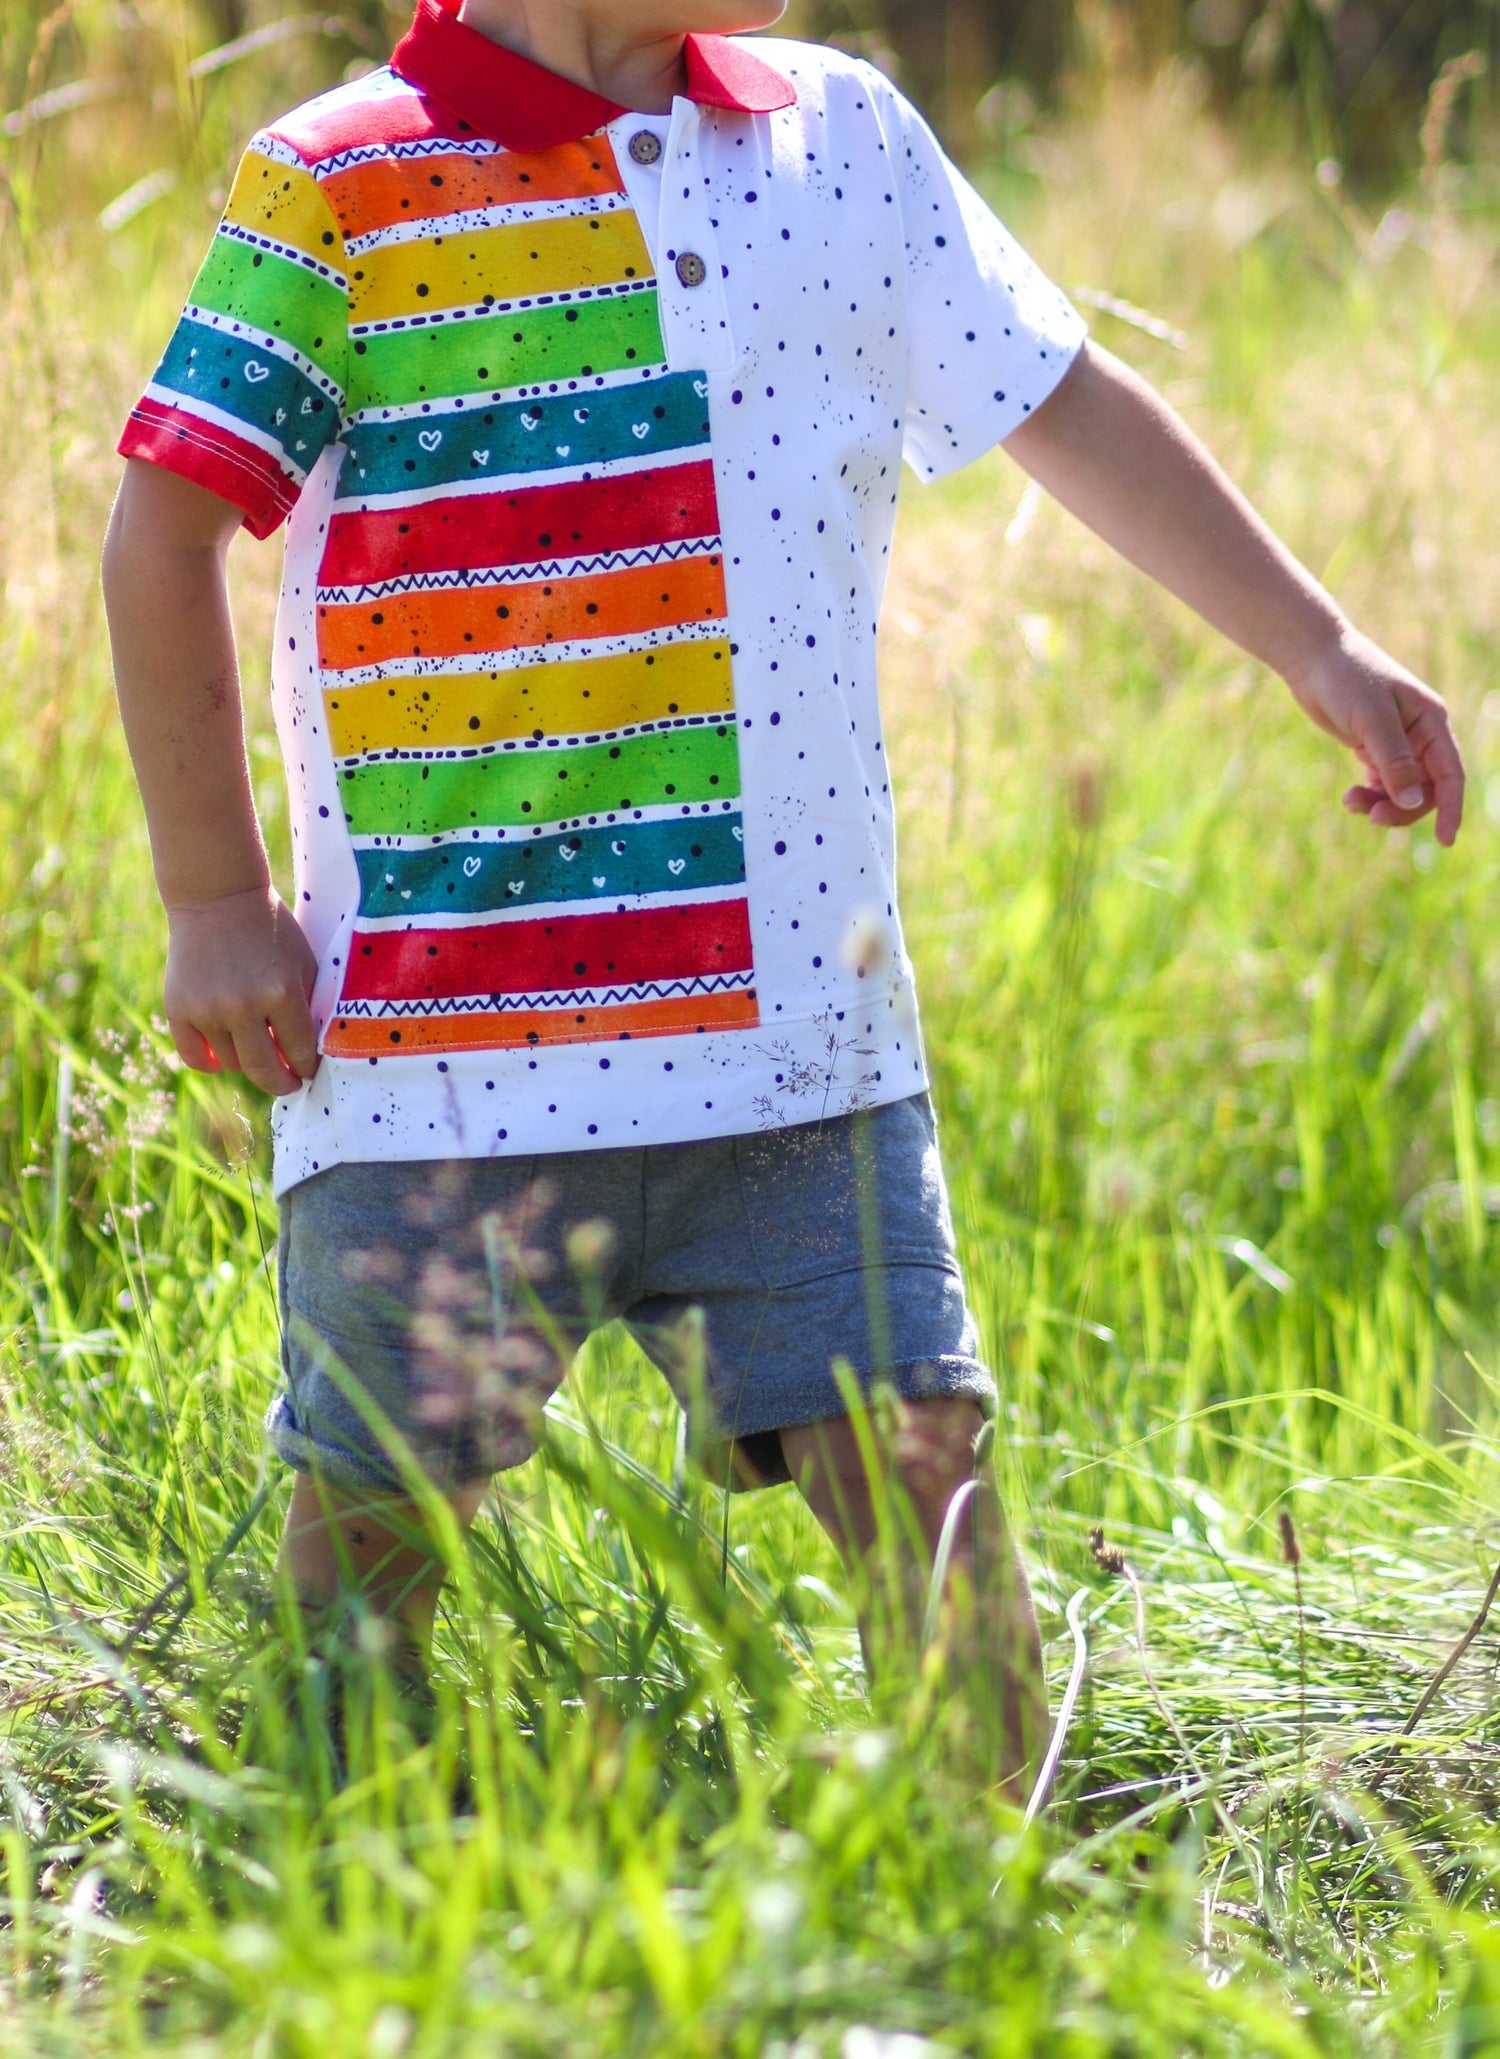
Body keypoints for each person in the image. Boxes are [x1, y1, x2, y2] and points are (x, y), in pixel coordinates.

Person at [101, 0, 1463, 1794]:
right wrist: (214, 897)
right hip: (442, 1059)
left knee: (927, 1487)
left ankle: (1001, 1896)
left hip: (799, 1043)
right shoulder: (337, 181)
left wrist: (1318, 644)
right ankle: (306, 1866)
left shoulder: (844, 141)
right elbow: (165, 531)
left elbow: (1058, 401)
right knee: (371, 1540)